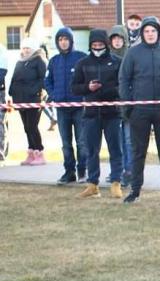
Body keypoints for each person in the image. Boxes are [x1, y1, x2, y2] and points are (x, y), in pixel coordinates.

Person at [118, 15, 160, 204]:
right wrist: (129, 105)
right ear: (142, 33)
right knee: (138, 152)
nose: (150, 34)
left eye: (153, 31)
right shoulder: (133, 53)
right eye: (146, 31)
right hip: (140, 110)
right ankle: (135, 190)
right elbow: (124, 79)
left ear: (158, 32)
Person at [71, 28, 123, 199]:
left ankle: (116, 182)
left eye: (101, 44)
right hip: (91, 114)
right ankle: (93, 184)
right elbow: (75, 87)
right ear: (90, 45)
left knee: (115, 149)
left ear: (106, 45)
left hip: (112, 113)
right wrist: (88, 88)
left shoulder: (116, 61)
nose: (98, 47)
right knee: (91, 150)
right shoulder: (82, 63)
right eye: (94, 45)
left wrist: (107, 92)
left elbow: (122, 86)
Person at [45, 27, 87, 184]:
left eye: (66, 39)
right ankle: (69, 172)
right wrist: (54, 94)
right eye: (60, 40)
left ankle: (83, 171)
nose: (63, 42)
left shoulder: (81, 58)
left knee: (82, 142)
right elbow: (47, 81)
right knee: (66, 143)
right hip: (62, 109)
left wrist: (83, 95)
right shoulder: (54, 61)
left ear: (71, 41)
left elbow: (87, 78)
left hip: (79, 107)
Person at [9, 38, 47, 166]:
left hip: (33, 99)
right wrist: (11, 92)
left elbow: (43, 79)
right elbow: (14, 78)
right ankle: (31, 152)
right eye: (24, 48)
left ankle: (39, 151)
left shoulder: (39, 60)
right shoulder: (20, 61)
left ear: (33, 49)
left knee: (32, 126)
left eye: (28, 48)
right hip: (20, 99)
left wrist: (33, 91)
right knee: (26, 127)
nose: (25, 51)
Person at [109, 25, 132, 187]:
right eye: (114, 38)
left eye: (120, 38)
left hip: (128, 104)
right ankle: (117, 171)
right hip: (111, 106)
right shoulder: (107, 57)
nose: (117, 41)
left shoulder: (130, 55)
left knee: (129, 141)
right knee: (116, 142)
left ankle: (129, 171)